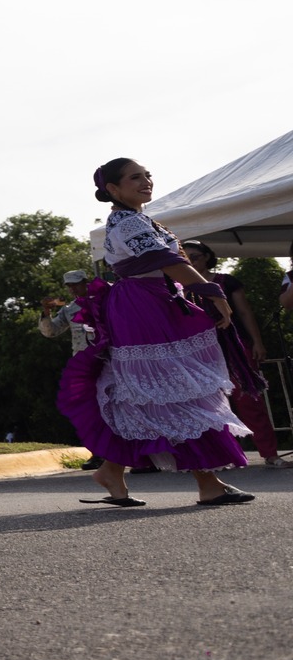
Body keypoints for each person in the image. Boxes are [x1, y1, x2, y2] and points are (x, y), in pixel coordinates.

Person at [51, 163, 253, 507]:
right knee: (172, 389)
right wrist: (211, 291)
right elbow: (164, 259)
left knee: (150, 391)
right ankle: (208, 483)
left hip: (152, 302)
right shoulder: (128, 222)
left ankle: (112, 471)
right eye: (135, 177)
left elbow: (168, 260)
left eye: (147, 175)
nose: (146, 181)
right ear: (113, 189)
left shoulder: (137, 219)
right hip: (143, 306)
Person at [181, 242, 282, 468]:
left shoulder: (226, 281)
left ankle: (270, 454)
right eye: (185, 258)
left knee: (249, 400)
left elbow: (244, 312)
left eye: (194, 256)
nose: (191, 261)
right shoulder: (179, 286)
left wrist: (257, 342)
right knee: (211, 405)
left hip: (234, 346)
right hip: (199, 351)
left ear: (207, 257)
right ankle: (226, 456)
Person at [38, 270, 98, 354]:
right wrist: (46, 311)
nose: (72, 288)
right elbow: (50, 332)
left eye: (76, 284)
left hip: (105, 355)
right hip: (82, 356)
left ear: (85, 282)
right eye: (69, 286)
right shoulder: (69, 309)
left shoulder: (102, 302)